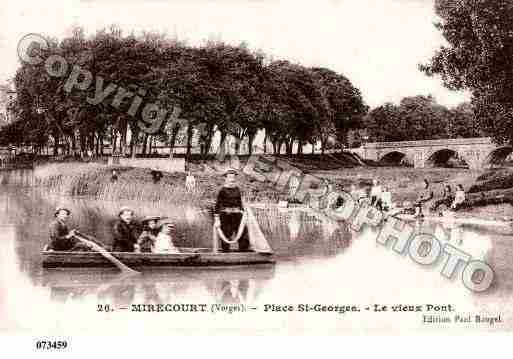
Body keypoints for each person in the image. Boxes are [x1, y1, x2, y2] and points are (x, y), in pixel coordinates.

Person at [214, 168, 250, 252]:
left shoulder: (237, 189)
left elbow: (240, 202)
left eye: (233, 177)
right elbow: (217, 205)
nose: (232, 179)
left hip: (237, 215)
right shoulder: (222, 190)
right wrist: (217, 219)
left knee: (243, 234)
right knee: (226, 234)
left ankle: (243, 253)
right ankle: (226, 253)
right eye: (230, 177)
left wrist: (244, 212)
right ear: (226, 178)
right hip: (226, 216)